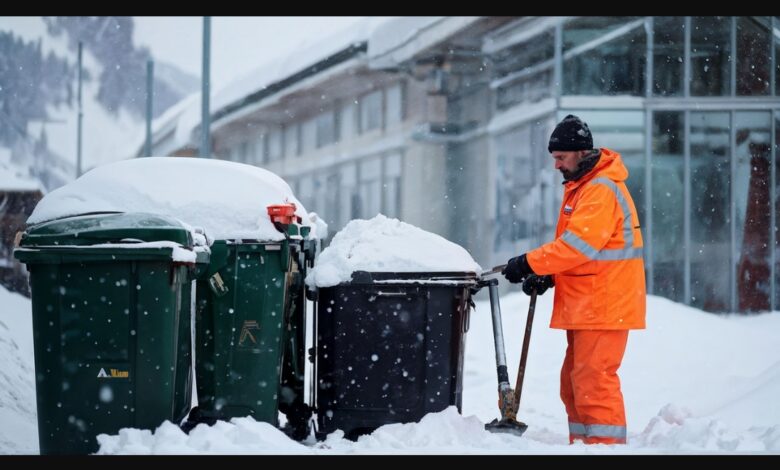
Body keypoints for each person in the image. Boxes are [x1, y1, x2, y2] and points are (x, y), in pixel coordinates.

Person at [502, 114, 646, 445]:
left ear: (581, 153)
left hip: (604, 303)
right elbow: (584, 248)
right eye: (554, 158)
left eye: (560, 158)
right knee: (574, 384)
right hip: (590, 302)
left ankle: (605, 449)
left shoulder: (599, 190)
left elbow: (578, 246)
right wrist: (549, 274)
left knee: (593, 382)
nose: (556, 165)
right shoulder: (582, 187)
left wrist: (530, 264)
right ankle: (583, 447)